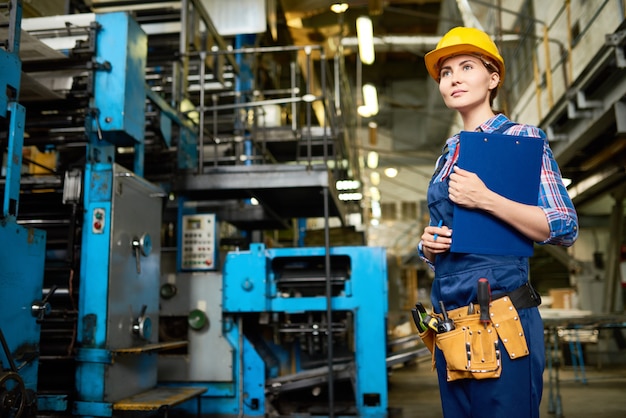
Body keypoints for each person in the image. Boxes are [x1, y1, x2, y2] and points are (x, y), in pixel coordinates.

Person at [417, 27, 578, 418]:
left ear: (493, 79)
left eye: (466, 66)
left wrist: (487, 199)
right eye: (445, 72)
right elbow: (452, 232)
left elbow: (563, 225)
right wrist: (428, 245)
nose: (453, 77)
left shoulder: (522, 138)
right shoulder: (450, 152)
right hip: (450, 322)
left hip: (502, 319)